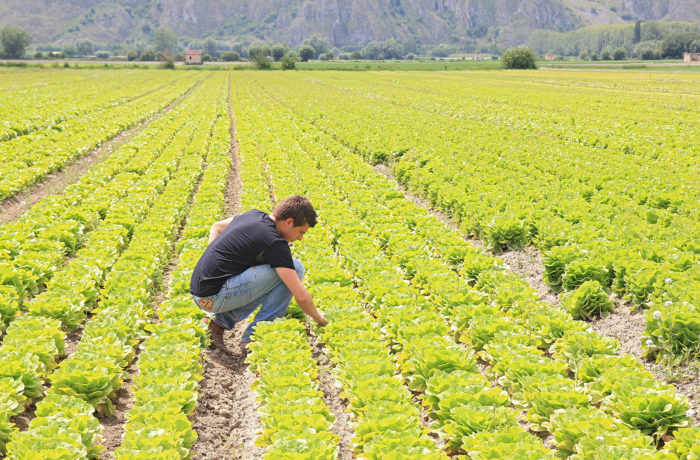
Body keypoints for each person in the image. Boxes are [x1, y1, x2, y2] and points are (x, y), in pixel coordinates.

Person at [190, 195, 328, 354]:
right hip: (213, 298)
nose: (300, 238)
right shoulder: (274, 242)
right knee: (295, 268)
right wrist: (319, 319)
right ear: (288, 222)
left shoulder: (253, 215)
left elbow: (216, 226)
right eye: (300, 231)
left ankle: (216, 325)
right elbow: (301, 296)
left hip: (201, 293)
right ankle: (254, 337)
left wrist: (214, 260)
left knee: (270, 268)